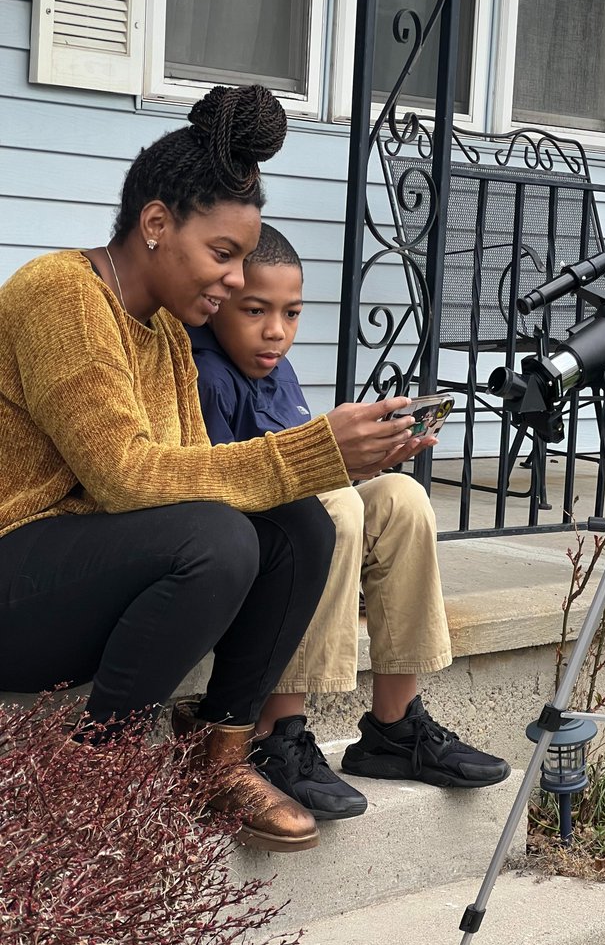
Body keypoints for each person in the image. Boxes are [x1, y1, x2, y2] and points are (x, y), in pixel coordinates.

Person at [0, 84, 426, 854]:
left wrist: (342, 462)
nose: (234, 281)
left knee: (298, 523)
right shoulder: (59, 294)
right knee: (217, 539)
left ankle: (220, 752)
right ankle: (97, 770)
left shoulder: (164, 330)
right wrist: (313, 449)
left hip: (80, 589)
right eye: (223, 255)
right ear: (156, 225)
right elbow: (124, 476)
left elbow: (197, 471)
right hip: (15, 574)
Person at [188, 223, 511, 821]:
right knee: (334, 506)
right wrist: (328, 475)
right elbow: (212, 492)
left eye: (291, 313)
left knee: (401, 497)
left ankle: (393, 725)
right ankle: (277, 732)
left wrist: (368, 461)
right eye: (255, 310)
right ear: (215, 305)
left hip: (291, 530)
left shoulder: (274, 371)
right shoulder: (205, 374)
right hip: (246, 560)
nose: (276, 332)